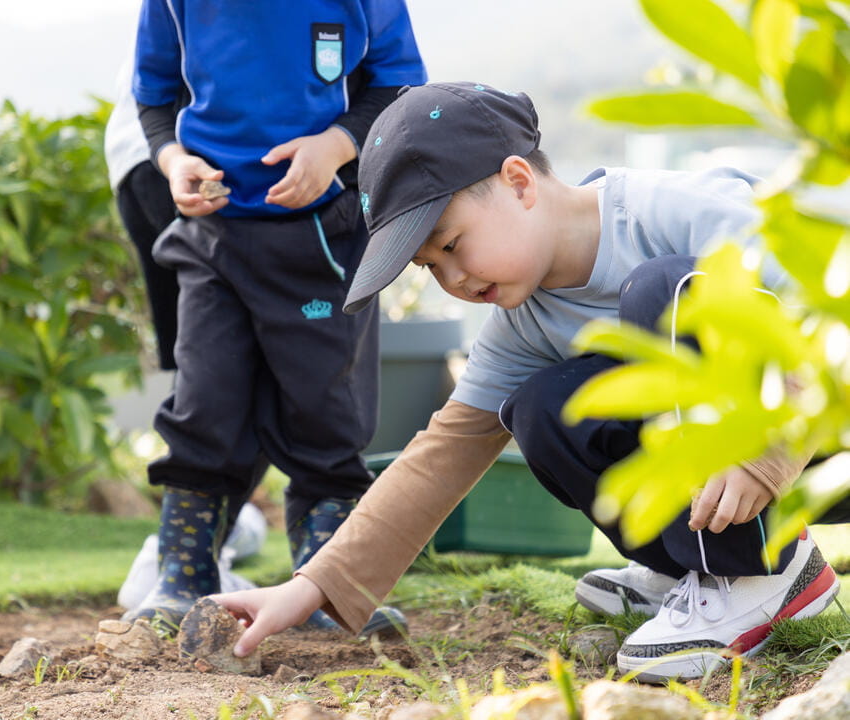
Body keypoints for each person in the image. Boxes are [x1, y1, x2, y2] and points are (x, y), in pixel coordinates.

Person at [210, 82, 841, 681]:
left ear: (518, 182)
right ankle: (689, 568)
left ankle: (757, 577)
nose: (452, 279)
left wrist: (764, 460)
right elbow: (440, 455)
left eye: (452, 244)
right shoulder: (524, 320)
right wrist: (309, 587)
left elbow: (827, 323)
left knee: (662, 290)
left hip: (822, 438)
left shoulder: (669, 212)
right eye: (430, 267)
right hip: (742, 478)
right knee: (541, 406)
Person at [124, 0, 427, 635]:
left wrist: (334, 147)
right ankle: (183, 576)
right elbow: (153, 98)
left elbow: (399, 86)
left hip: (323, 236)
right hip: (213, 237)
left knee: (327, 412)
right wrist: (174, 162)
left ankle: (328, 585)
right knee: (203, 401)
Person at [104, 53, 179, 372]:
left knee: (174, 313)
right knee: (212, 297)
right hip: (166, 159)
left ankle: (183, 411)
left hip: (128, 161)